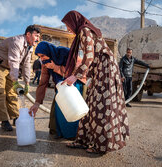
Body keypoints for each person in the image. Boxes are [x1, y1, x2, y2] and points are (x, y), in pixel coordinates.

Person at [61, 10, 129, 155]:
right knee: (91, 103)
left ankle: (102, 145)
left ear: (74, 22)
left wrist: (76, 76)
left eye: (67, 25)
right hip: (100, 69)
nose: (67, 29)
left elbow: (90, 55)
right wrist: (91, 78)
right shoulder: (83, 32)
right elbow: (92, 57)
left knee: (103, 106)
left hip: (106, 69)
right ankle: (83, 140)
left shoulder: (85, 30)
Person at [0, 25, 40, 131]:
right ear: (28, 34)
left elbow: (26, 64)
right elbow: (14, 62)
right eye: (36, 36)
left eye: (39, 36)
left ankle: (16, 117)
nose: (38, 39)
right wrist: (16, 81)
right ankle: (4, 121)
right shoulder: (17, 42)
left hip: (9, 67)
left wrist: (27, 83)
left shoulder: (30, 47)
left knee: (12, 92)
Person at [29, 41, 85, 139]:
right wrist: (37, 103)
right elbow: (43, 82)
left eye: (43, 56)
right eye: (39, 57)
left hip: (74, 84)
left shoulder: (65, 52)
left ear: (49, 51)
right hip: (61, 87)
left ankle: (73, 135)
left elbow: (79, 70)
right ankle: (61, 133)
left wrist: (55, 67)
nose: (41, 59)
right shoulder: (45, 63)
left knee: (73, 108)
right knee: (60, 110)